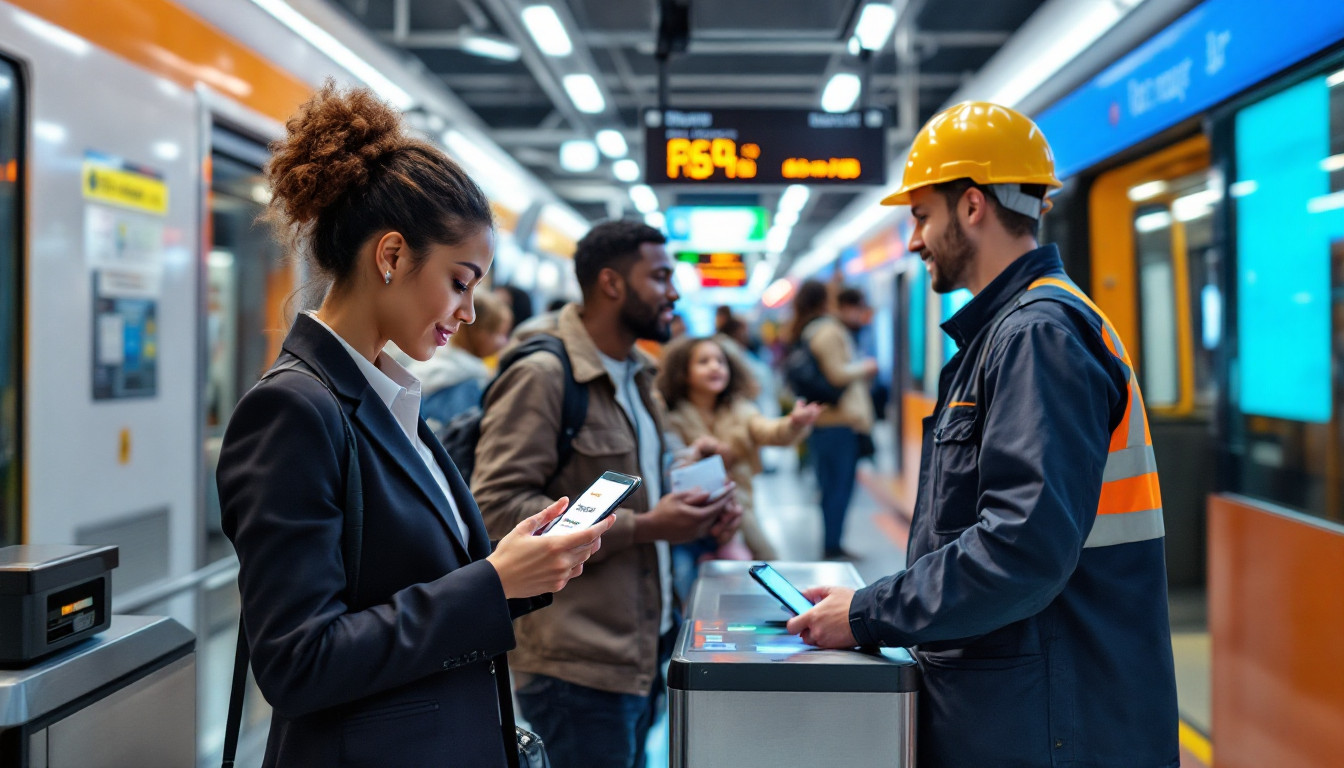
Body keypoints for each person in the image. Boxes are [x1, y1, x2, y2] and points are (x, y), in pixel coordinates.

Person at [215, 83, 611, 768]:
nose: (468, 311)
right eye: (461, 282)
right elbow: (297, 662)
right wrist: (490, 584)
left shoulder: (385, 399)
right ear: (392, 256)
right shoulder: (293, 410)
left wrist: (513, 572)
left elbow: (407, 590)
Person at [786, 102, 1179, 767]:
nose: (913, 240)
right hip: (1031, 692)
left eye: (920, 215)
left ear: (972, 206)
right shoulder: (1015, 330)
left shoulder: (1036, 334)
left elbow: (1020, 550)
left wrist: (867, 612)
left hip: (1049, 712)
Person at [472, 220, 742, 768]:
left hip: (645, 645)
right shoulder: (545, 375)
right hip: (577, 664)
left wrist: (694, 487)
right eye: (661, 276)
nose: (674, 291)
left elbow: (641, 476)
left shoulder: (640, 373)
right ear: (612, 283)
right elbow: (494, 509)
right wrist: (647, 526)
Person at [658, 335, 822, 560]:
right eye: (703, 362)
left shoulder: (741, 410)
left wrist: (794, 423)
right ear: (683, 373)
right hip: (694, 516)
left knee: (765, 558)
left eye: (720, 361)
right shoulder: (673, 418)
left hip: (740, 508)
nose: (715, 366)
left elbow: (770, 431)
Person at [789, 280, 878, 561]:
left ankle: (833, 542)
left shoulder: (810, 329)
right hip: (837, 423)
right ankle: (832, 545)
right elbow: (837, 375)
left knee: (831, 486)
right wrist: (865, 367)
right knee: (838, 487)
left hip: (827, 423)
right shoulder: (827, 331)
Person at [409, 288, 511, 427]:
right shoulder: (470, 381)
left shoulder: (438, 359)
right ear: (479, 333)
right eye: (499, 334)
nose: (504, 342)